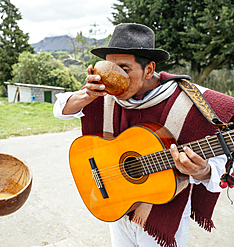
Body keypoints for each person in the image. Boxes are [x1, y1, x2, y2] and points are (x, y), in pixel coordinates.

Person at [53, 23, 234, 247]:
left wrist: (204, 171)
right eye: (111, 67)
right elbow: (60, 109)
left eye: (124, 68)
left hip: (164, 217)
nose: (115, 75)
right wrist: (86, 96)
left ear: (149, 70)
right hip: (118, 201)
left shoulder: (189, 100)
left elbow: (220, 162)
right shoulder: (103, 91)